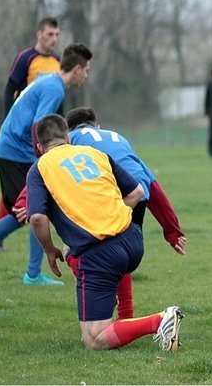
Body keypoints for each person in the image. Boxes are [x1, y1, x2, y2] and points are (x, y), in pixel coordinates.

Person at [26, 114, 184, 351]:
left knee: (94, 339)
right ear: (68, 137)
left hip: (101, 254)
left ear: (39, 147)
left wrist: (49, 250)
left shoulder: (40, 168)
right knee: (74, 249)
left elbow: (37, 218)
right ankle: (106, 297)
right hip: (132, 240)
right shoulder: (97, 154)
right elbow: (137, 192)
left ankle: (160, 320)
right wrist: (114, 215)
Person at [0, 43, 93, 286]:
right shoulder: (55, 88)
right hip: (16, 151)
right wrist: (44, 157)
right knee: (35, 208)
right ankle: (29, 273)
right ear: (76, 69)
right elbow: (39, 124)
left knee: (27, 210)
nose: (86, 75)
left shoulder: (49, 81)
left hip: (12, 149)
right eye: (86, 69)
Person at [63, 106, 187, 319]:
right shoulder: (118, 138)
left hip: (111, 192)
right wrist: (172, 231)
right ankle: (126, 316)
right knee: (122, 251)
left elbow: (47, 167)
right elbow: (153, 185)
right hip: (137, 194)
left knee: (71, 245)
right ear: (97, 125)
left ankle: (103, 295)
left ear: (68, 131)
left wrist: (26, 201)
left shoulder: (70, 140)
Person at [0, 17, 61, 252]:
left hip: (42, 134)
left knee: (30, 190)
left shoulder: (57, 62)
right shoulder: (26, 58)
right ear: (39, 34)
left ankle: (31, 266)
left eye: (56, 35)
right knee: (23, 194)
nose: (54, 39)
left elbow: (57, 104)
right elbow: (9, 90)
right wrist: (7, 121)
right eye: (50, 34)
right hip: (22, 135)